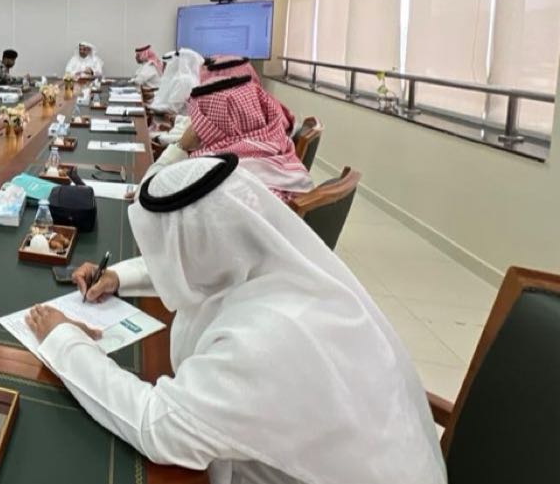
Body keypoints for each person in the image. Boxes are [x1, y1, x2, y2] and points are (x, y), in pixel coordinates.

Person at [25, 155, 446, 484]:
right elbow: (205, 266)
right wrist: (120, 276)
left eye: (161, 249)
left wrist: (63, 339)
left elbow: (158, 428)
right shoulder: (281, 266)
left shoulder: (266, 339)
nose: (161, 260)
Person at [158, 75, 312, 202]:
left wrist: (180, 147)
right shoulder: (282, 147)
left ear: (206, 122)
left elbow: (150, 195)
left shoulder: (209, 173)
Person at [148, 48, 204, 116]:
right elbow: (164, 96)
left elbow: (172, 109)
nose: (163, 67)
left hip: (178, 119)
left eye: (166, 64)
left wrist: (150, 107)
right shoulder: (179, 78)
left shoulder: (184, 80)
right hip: (170, 118)